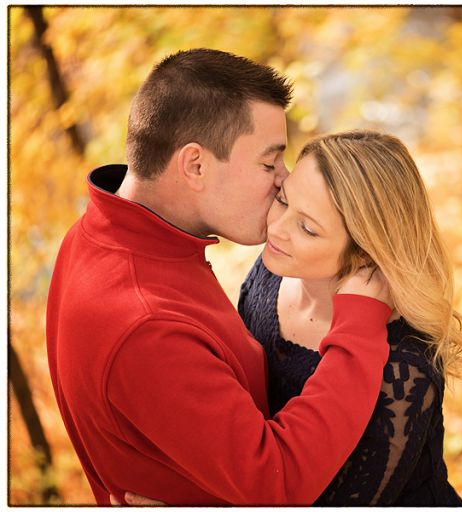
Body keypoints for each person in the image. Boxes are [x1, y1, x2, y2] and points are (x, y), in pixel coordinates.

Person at [46, 48, 394, 506]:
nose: (282, 180)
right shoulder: (147, 324)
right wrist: (360, 324)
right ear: (195, 165)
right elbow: (278, 483)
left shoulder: (96, 235)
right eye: (269, 163)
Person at [239, 130, 462, 505]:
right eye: (283, 201)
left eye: (308, 228)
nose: (276, 228)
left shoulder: (405, 367)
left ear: (365, 252)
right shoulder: (273, 273)